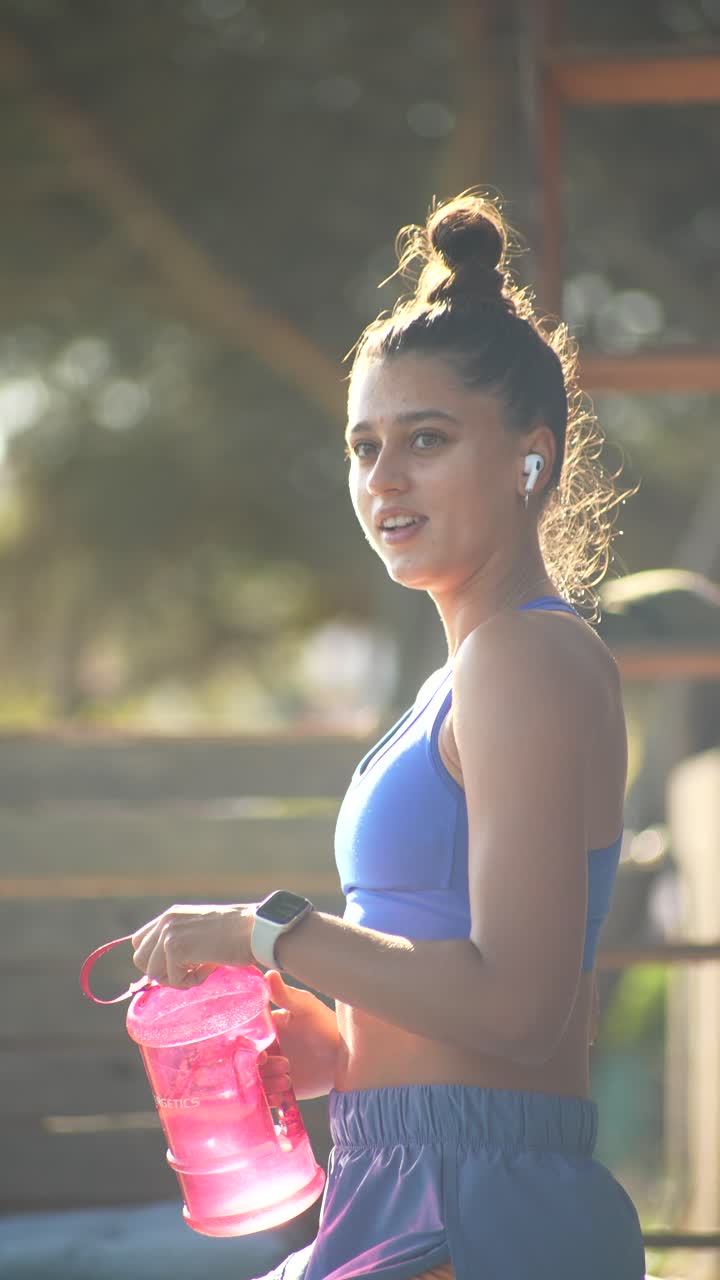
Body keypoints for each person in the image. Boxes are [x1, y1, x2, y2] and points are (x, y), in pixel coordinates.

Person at [130, 192, 647, 1279]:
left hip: (478, 1207)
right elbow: (456, 984)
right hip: (405, 1183)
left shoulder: (526, 656)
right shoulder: (459, 677)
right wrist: (333, 1045)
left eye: (427, 439)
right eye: (366, 446)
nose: (384, 479)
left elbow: (518, 1004)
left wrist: (260, 932)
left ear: (529, 458)